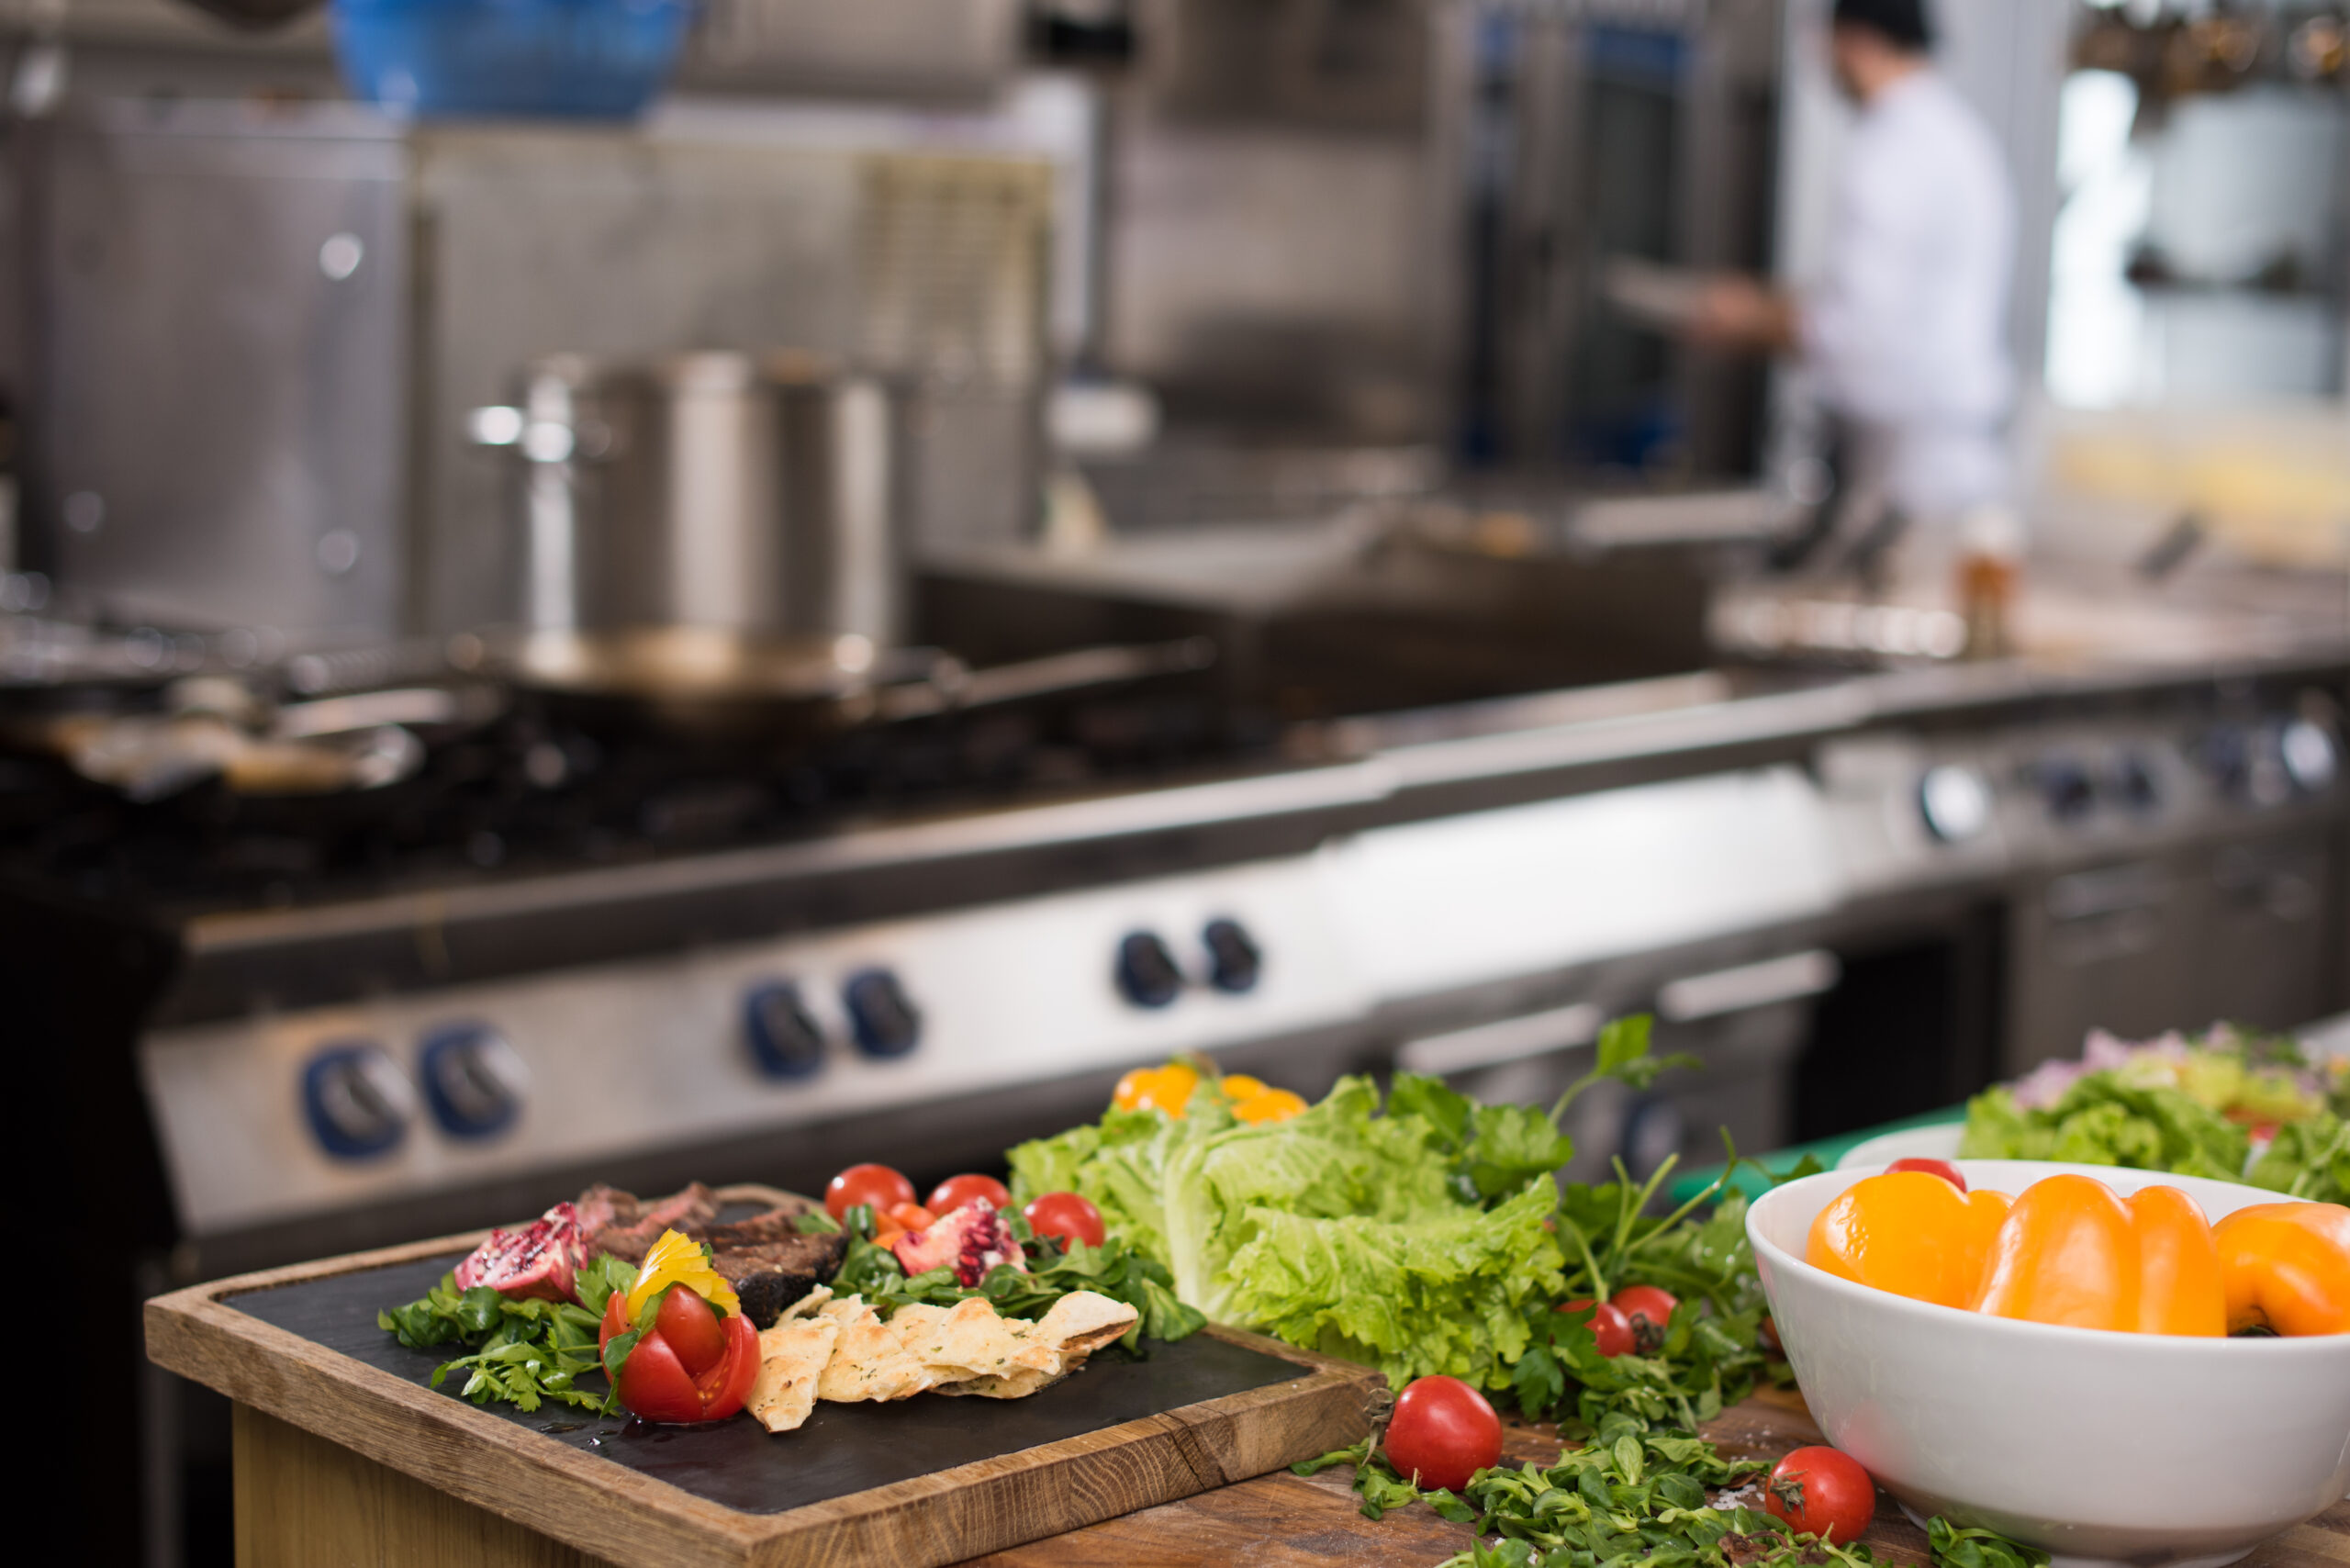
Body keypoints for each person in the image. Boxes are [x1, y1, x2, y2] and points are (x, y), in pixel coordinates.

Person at [1694, 0, 2017, 586]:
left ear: (1859, 40)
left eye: (1825, 39)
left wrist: (1748, 320)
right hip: (1953, 472)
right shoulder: (1961, 138)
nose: (1818, 57)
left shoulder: (1891, 152)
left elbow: (1857, 332)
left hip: (1903, 485)